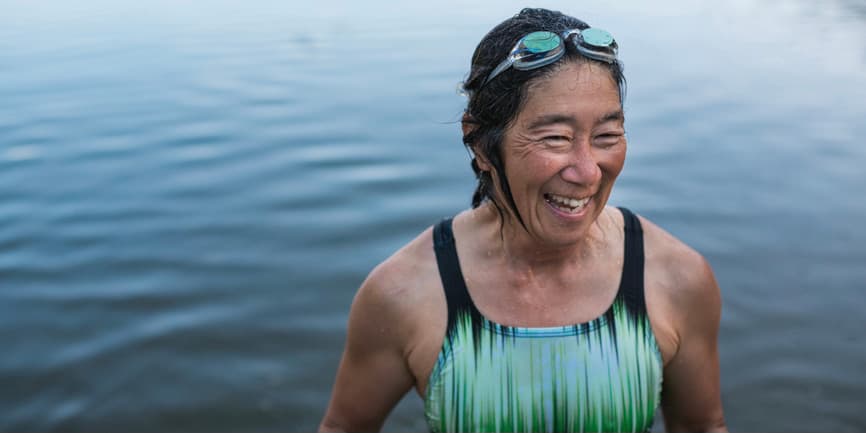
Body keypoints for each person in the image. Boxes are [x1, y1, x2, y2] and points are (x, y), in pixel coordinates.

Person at [319, 7, 727, 433]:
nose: (587, 171)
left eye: (607, 136)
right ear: (478, 141)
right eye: (555, 138)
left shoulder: (675, 279)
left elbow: (703, 426)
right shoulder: (406, 292)